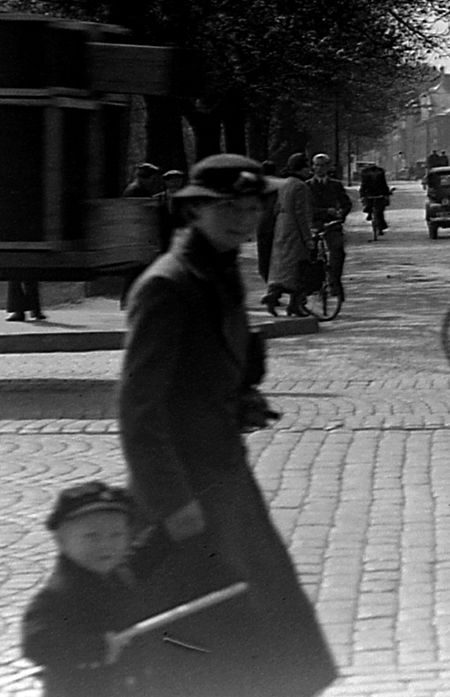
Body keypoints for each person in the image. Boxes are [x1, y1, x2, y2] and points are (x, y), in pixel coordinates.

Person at [119, 156, 338, 697]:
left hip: (223, 482)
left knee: (260, 634)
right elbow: (138, 414)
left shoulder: (217, 273)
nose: (243, 219)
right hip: (184, 499)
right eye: (228, 208)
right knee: (202, 646)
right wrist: (174, 504)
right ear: (193, 209)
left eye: (251, 207)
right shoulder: (166, 287)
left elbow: (208, 367)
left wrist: (240, 397)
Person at [20, 479, 156, 696]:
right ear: (61, 541)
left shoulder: (116, 573)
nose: (106, 545)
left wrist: (165, 536)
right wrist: (94, 648)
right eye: (91, 536)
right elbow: (36, 644)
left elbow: (139, 559)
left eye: (116, 535)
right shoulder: (59, 594)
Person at [259, 160, 311, 318]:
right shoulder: (300, 186)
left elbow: (275, 207)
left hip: (281, 227)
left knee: (282, 267)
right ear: (301, 169)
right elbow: (301, 213)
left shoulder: (282, 184)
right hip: (294, 228)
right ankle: (294, 304)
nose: (309, 171)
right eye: (307, 167)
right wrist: (308, 237)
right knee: (300, 267)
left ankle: (273, 294)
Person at [302, 157, 352, 308]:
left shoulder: (335, 185)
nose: (320, 168)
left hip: (332, 224)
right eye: (317, 165)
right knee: (309, 255)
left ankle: (335, 282)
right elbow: (305, 208)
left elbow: (346, 203)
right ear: (313, 167)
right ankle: (310, 287)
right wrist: (324, 211)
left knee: (337, 250)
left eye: (323, 166)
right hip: (314, 224)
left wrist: (341, 214)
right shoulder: (306, 186)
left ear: (328, 167)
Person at [355, 160, 391, 240]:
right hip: (376, 194)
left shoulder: (365, 174)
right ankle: (377, 221)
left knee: (377, 208)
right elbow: (384, 184)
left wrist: (362, 194)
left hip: (371, 194)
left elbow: (363, 186)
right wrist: (386, 193)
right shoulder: (379, 173)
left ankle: (369, 212)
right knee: (380, 210)